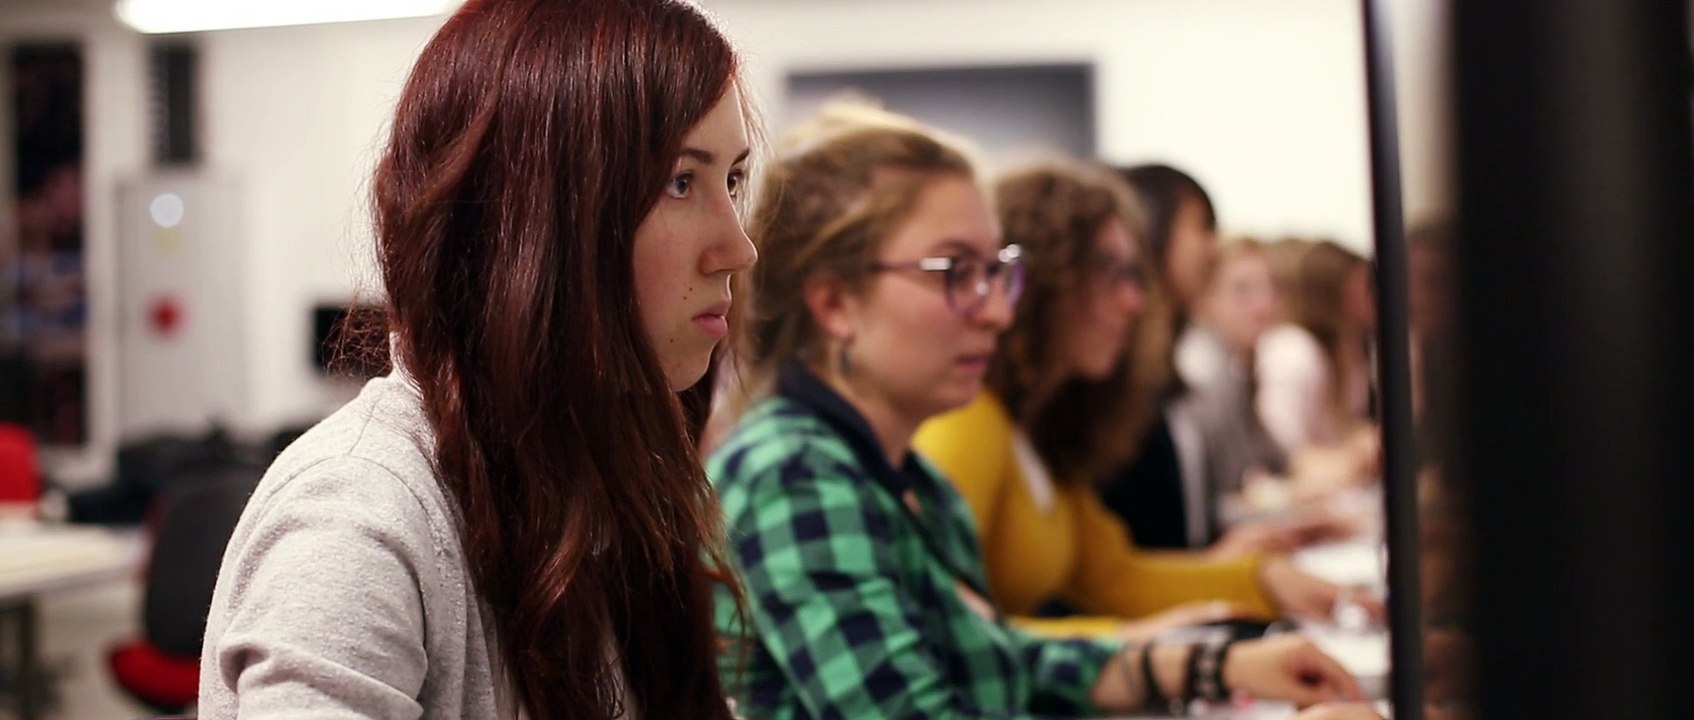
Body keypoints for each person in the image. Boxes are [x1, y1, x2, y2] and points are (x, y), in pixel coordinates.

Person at [710, 103, 1366, 719]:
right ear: (835, 306)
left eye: (997, 271)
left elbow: (996, 657)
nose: (998, 309)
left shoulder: (903, 477)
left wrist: (1207, 663)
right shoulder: (795, 473)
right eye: (954, 272)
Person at [198, 1, 756, 716]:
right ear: (536, 217)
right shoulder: (359, 522)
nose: (739, 248)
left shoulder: (593, 478)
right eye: (682, 181)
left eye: (733, 180)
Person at [914, 164, 1365, 643]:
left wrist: (1264, 578)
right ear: (1050, 280)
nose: (1134, 301)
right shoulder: (968, 423)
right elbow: (951, 640)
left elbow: (1114, 577)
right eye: (1112, 274)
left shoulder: (1036, 430)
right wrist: (1145, 654)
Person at [1255, 240, 1380, 496]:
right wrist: (1350, 455)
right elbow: (1282, 453)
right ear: (1332, 291)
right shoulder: (1294, 351)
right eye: (1365, 285)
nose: (1376, 294)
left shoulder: (1355, 348)